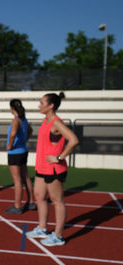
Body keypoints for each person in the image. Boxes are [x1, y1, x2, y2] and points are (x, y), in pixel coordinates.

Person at [26, 92, 78, 246]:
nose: (39, 105)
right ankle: (42, 229)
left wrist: (60, 158)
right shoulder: (46, 120)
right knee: (39, 196)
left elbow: (73, 140)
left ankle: (59, 236)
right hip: (41, 167)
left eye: (42, 103)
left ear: (51, 106)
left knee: (57, 201)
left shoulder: (56, 122)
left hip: (53, 169)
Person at [5, 99, 35, 214]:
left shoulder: (16, 120)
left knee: (17, 180)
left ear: (12, 108)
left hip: (15, 153)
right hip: (23, 150)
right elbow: (30, 131)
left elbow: (12, 134)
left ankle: (17, 206)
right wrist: (24, 140)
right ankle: (31, 201)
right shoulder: (24, 120)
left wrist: (10, 145)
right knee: (25, 177)